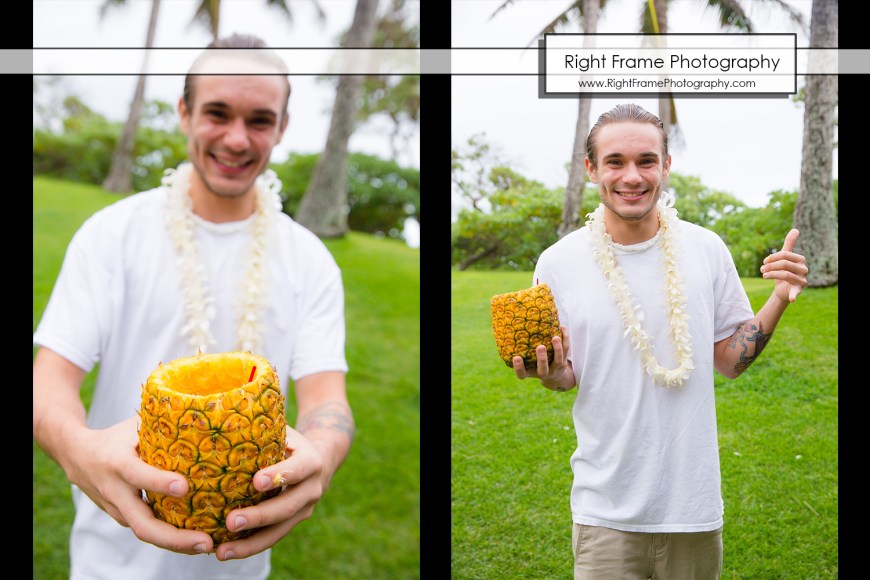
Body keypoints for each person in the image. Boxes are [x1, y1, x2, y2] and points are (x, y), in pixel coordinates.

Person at [32, 34, 354, 580]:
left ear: (281, 128)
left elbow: (329, 401)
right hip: (108, 563)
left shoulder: (311, 260)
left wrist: (320, 453)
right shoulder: (110, 235)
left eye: (259, 120)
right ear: (184, 113)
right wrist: (78, 449)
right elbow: (49, 381)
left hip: (242, 562)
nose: (236, 139)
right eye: (217, 113)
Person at [512, 103, 808, 579]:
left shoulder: (706, 248)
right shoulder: (557, 264)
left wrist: (777, 299)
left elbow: (731, 362)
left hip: (691, 506)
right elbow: (567, 376)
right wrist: (550, 372)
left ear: (666, 166)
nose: (632, 176)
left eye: (646, 160)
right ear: (592, 169)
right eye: (615, 161)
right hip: (604, 509)